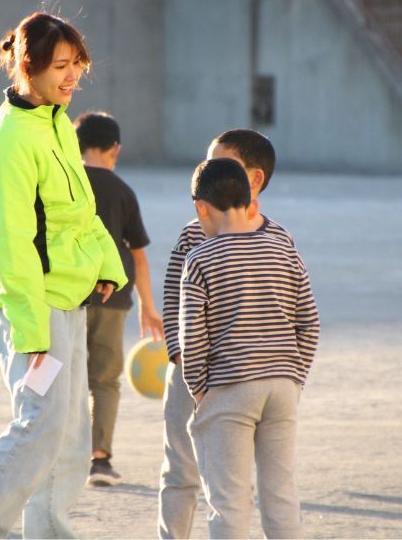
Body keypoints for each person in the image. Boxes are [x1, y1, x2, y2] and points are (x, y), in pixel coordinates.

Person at [0, 12, 128, 539]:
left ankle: (48, 533)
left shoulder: (57, 124)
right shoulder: (9, 141)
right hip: (30, 305)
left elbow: (81, 211)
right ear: (27, 66)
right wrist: (31, 332)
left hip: (67, 298)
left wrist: (106, 268)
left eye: (77, 66)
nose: (72, 78)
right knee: (39, 423)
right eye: (60, 66)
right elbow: (9, 245)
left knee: (69, 433)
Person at [158, 129, 298, 538]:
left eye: (221, 164)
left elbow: (297, 311)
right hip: (194, 369)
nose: (209, 170)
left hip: (254, 379)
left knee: (251, 491)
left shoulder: (278, 238)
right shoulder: (193, 233)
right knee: (181, 470)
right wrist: (185, 364)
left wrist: (294, 372)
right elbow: (174, 299)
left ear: (253, 179)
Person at [179, 157, 320, 538]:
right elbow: (309, 322)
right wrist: (295, 378)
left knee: (229, 502)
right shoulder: (283, 247)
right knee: (281, 494)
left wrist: (199, 389)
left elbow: (191, 338)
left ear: (201, 208)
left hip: (229, 388)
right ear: (249, 201)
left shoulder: (199, 259)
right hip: (282, 386)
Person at [74, 111, 165, 486]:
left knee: (64, 375)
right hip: (113, 299)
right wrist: (149, 305)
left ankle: (60, 454)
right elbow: (139, 256)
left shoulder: (64, 184)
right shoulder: (123, 192)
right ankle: (100, 459)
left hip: (66, 295)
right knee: (106, 380)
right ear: (116, 149)